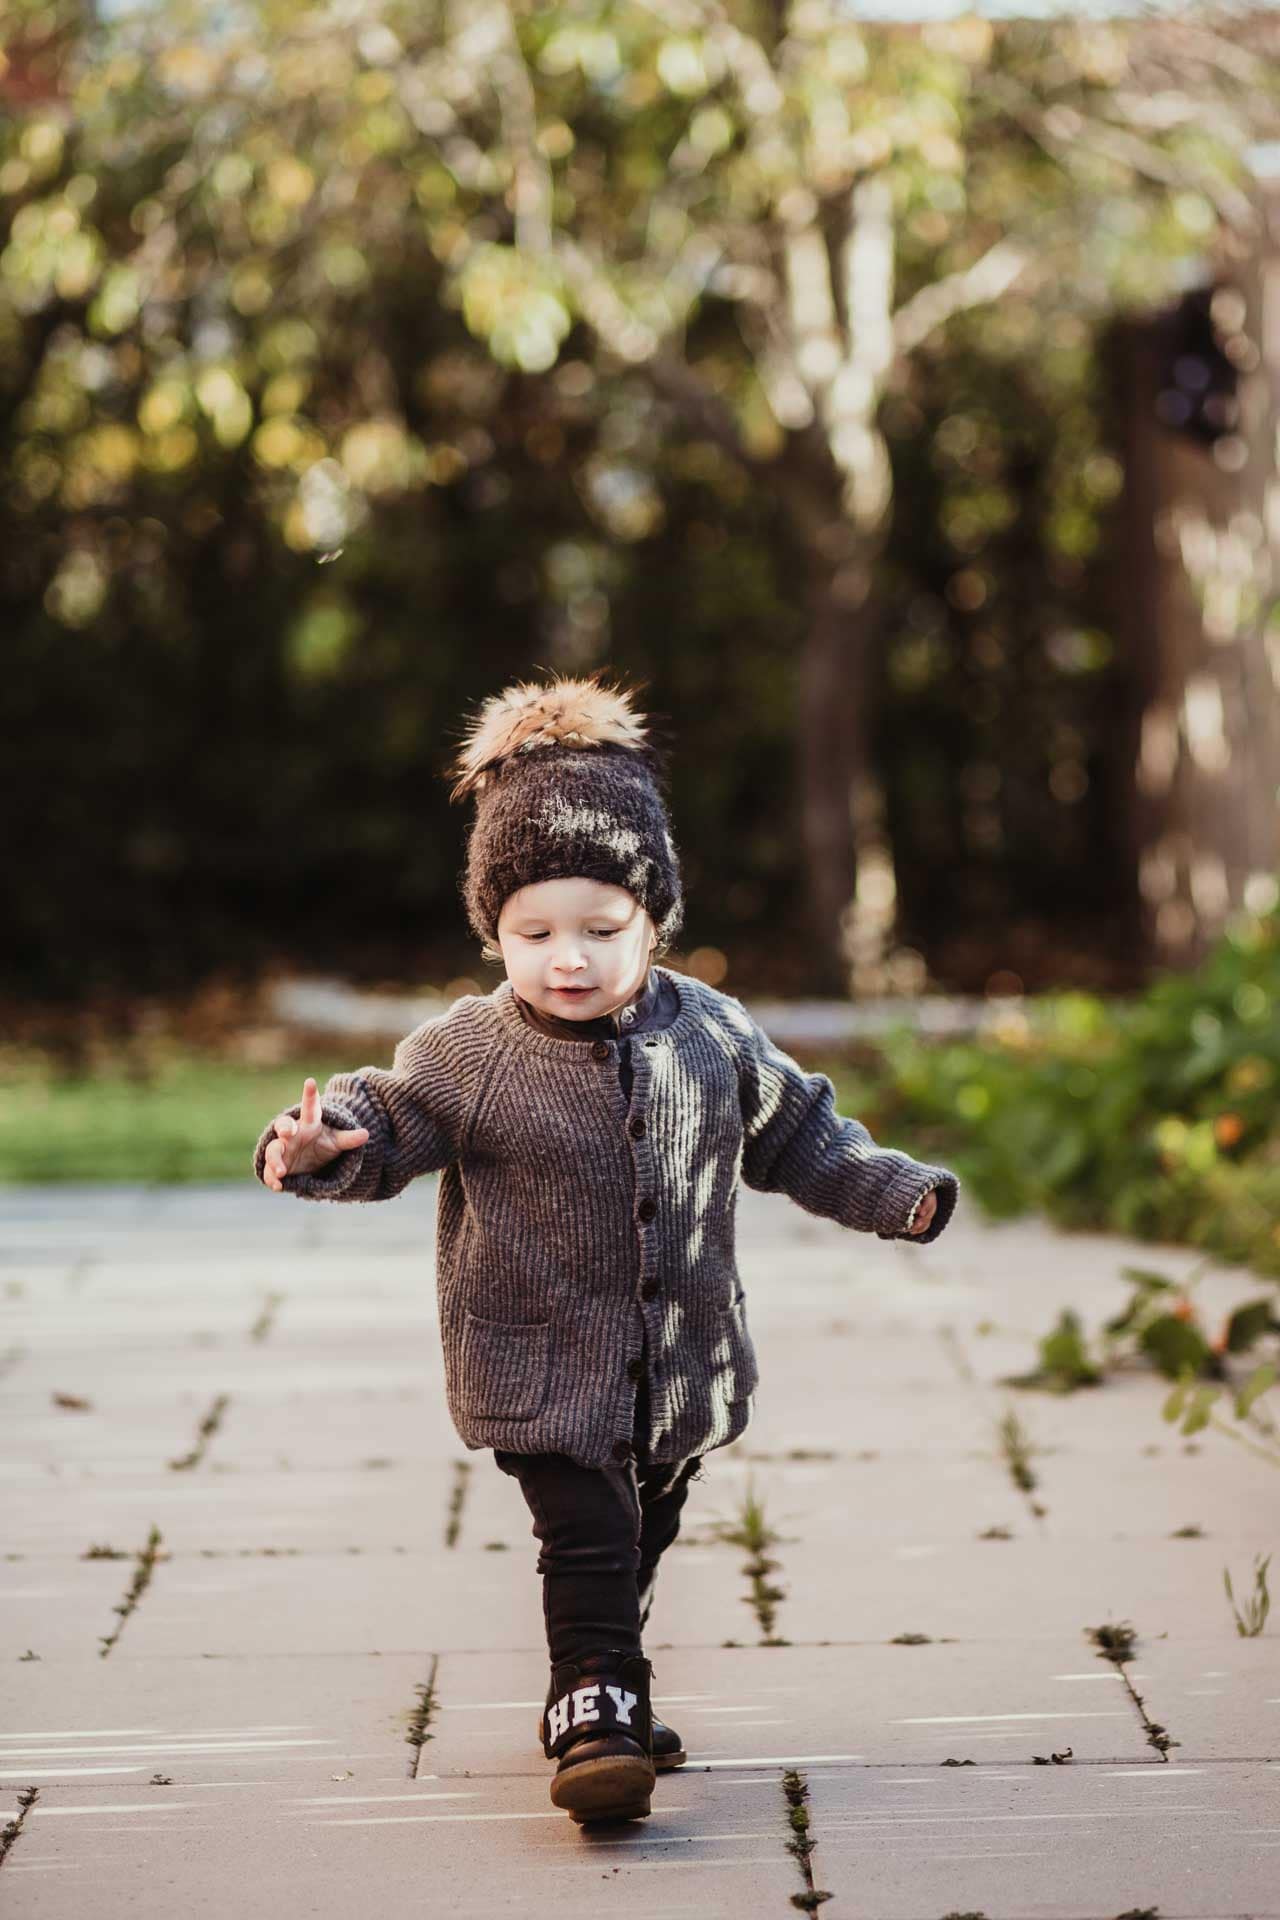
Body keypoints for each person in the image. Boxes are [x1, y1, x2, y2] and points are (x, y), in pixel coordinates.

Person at [253, 670, 959, 1826]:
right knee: (585, 1536)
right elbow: (389, 1116)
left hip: (677, 1365)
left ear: (653, 919)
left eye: (599, 929)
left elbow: (800, 1135)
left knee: (642, 1527)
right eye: (531, 934)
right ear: (493, 929)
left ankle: (607, 1682)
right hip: (536, 1363)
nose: (565, 958)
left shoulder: (712, 1033)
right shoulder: (469, 1050)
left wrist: (894, 1193)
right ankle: (593, 1707)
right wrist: (323, 1144)